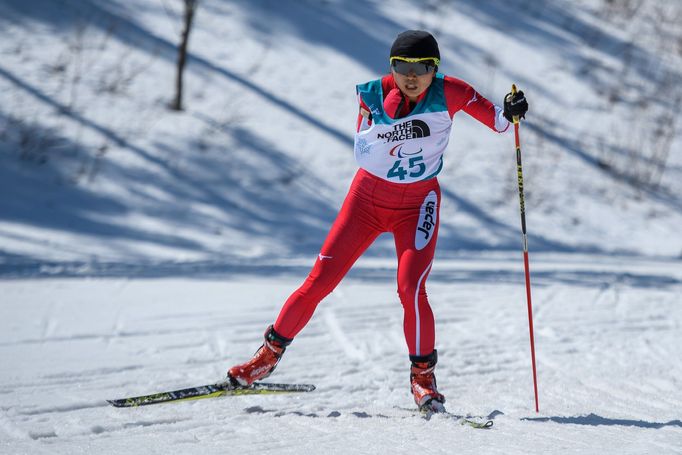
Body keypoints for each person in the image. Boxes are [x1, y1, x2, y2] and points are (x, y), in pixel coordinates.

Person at [227, 30, 528, 412]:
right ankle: (265, 359)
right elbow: (365, 153)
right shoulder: (372, 95)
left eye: (422, 67)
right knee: (320, 281)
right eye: (403, 67)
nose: (412, 76)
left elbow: (502, 123)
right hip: (367, 200)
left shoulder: (453, 92)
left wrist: (514, 109)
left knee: (410, 289)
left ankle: (423, 379)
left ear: (435, 68)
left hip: (418, 203)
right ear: (392, 67)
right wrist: (391, 123)